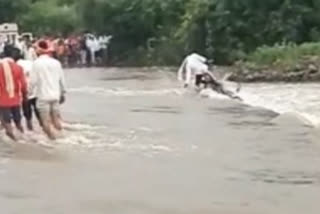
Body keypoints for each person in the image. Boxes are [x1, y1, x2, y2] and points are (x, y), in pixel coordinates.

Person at [31, 40, 66, 140]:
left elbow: (33, 82)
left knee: (45, 121)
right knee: (56, 120)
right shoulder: (56, 62)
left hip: (43, 96)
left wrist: (28, 94)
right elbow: (62, 80)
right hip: (55, 95)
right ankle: (63, 137)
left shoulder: (36, 63)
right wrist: (62, 93)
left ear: (38, 51)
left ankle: (53, 140)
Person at [0, 45, 28, 141]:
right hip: (16, 99)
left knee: (6, 123)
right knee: (18, 123)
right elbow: (23, 85)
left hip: (2, 100)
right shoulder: (18, 67)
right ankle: (24, 138)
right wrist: (25, 97)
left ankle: (15, 142)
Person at [17, 55, 42, 131]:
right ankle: (44, 129)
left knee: (27, 115)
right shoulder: (31, 63)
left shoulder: (16, 65)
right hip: (36, 91)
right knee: (38, 112)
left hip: (25, 93)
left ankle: (30, 130)